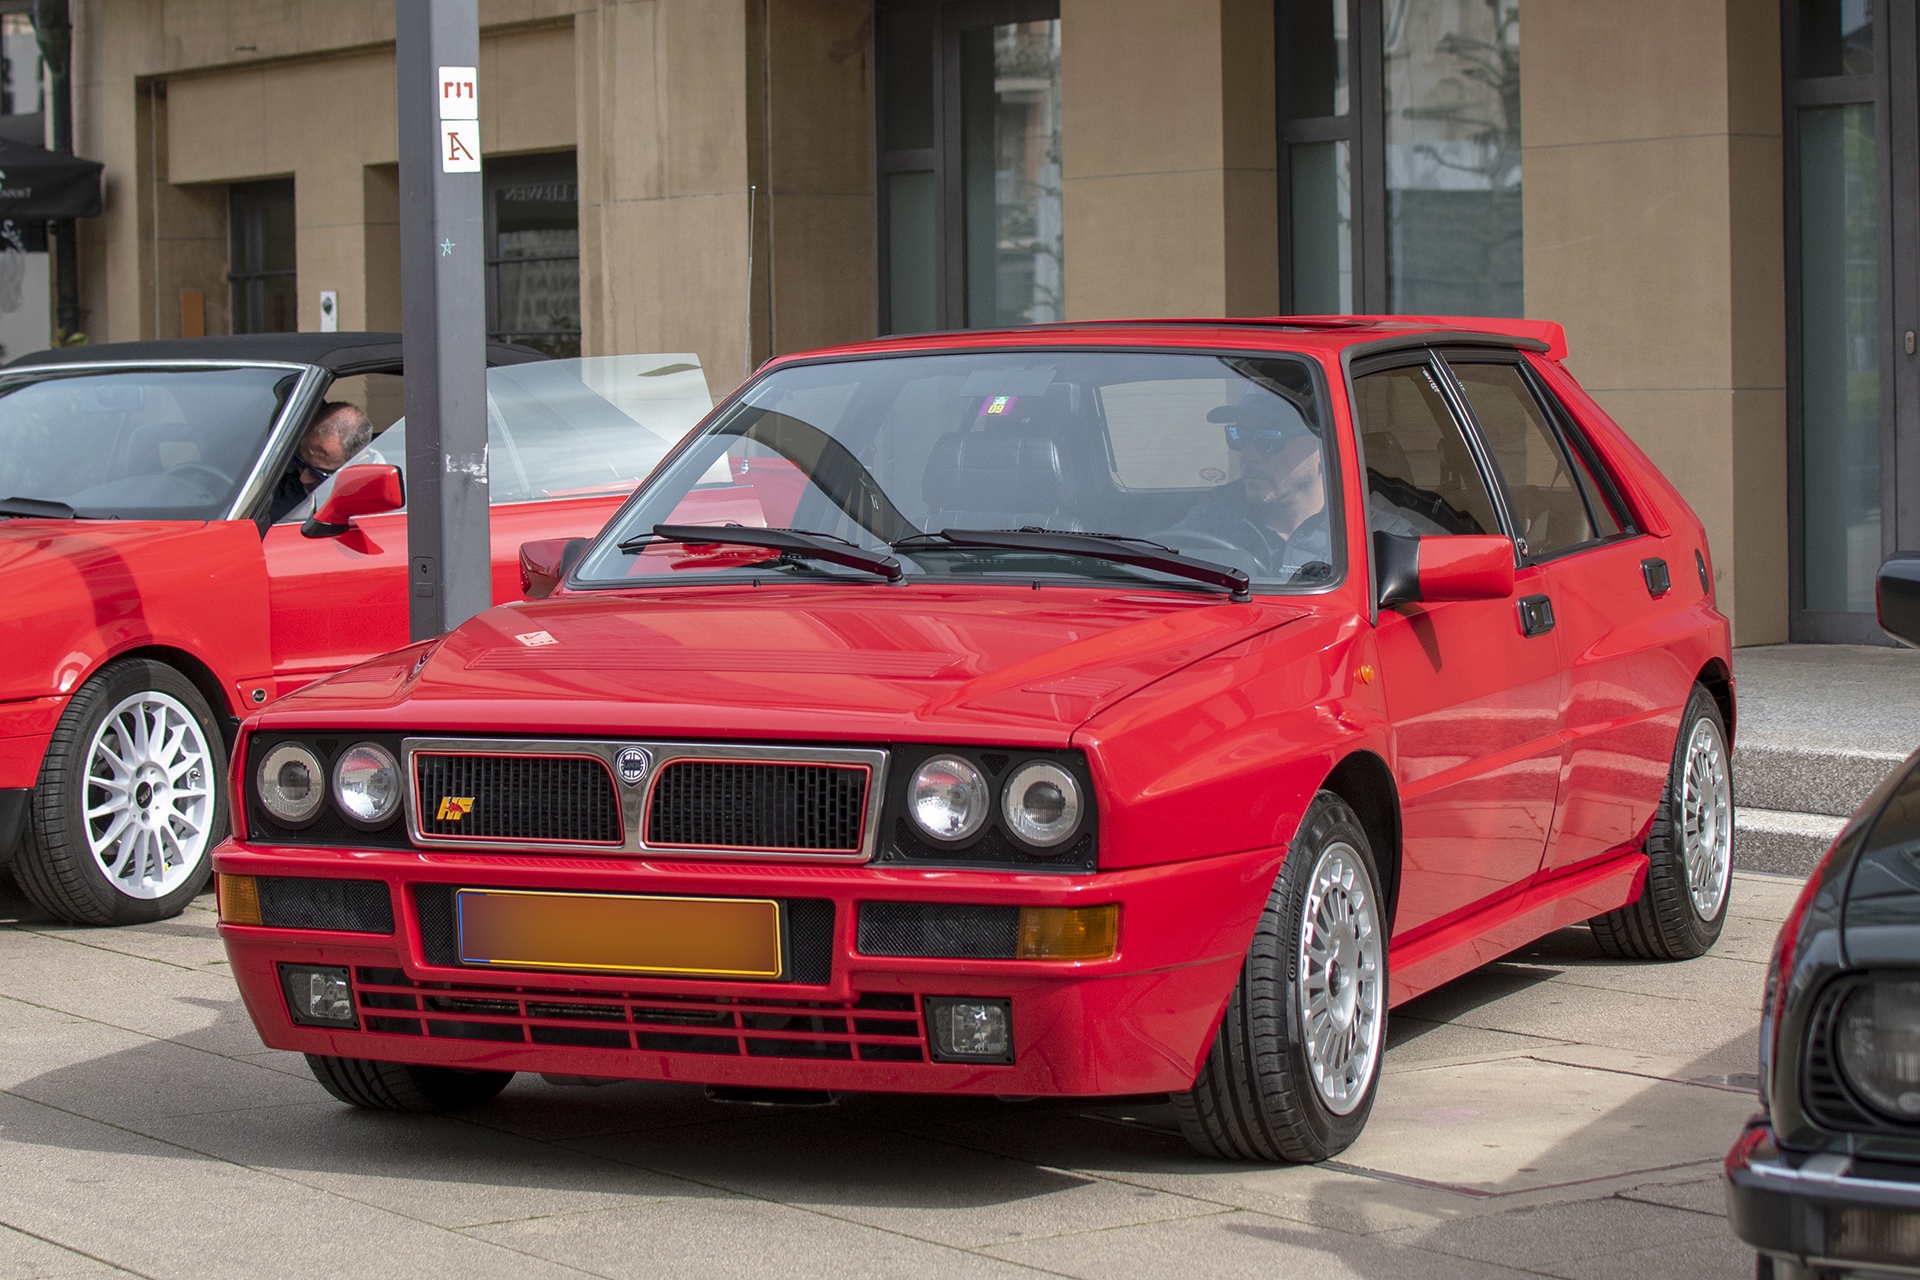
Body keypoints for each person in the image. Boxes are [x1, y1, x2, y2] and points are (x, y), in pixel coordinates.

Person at [1175, 390, 1336, 580]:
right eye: (1238, 435)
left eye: (1269, 438)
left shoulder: (1356, 534)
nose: (1247, 456)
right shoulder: (1212, 521)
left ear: (1322, 448)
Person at [268, 401, 373, 523]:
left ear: (359, 465)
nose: (304, 479)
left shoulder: (385, 507)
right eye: (301, 463)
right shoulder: (284, 491)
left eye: (318, 473)